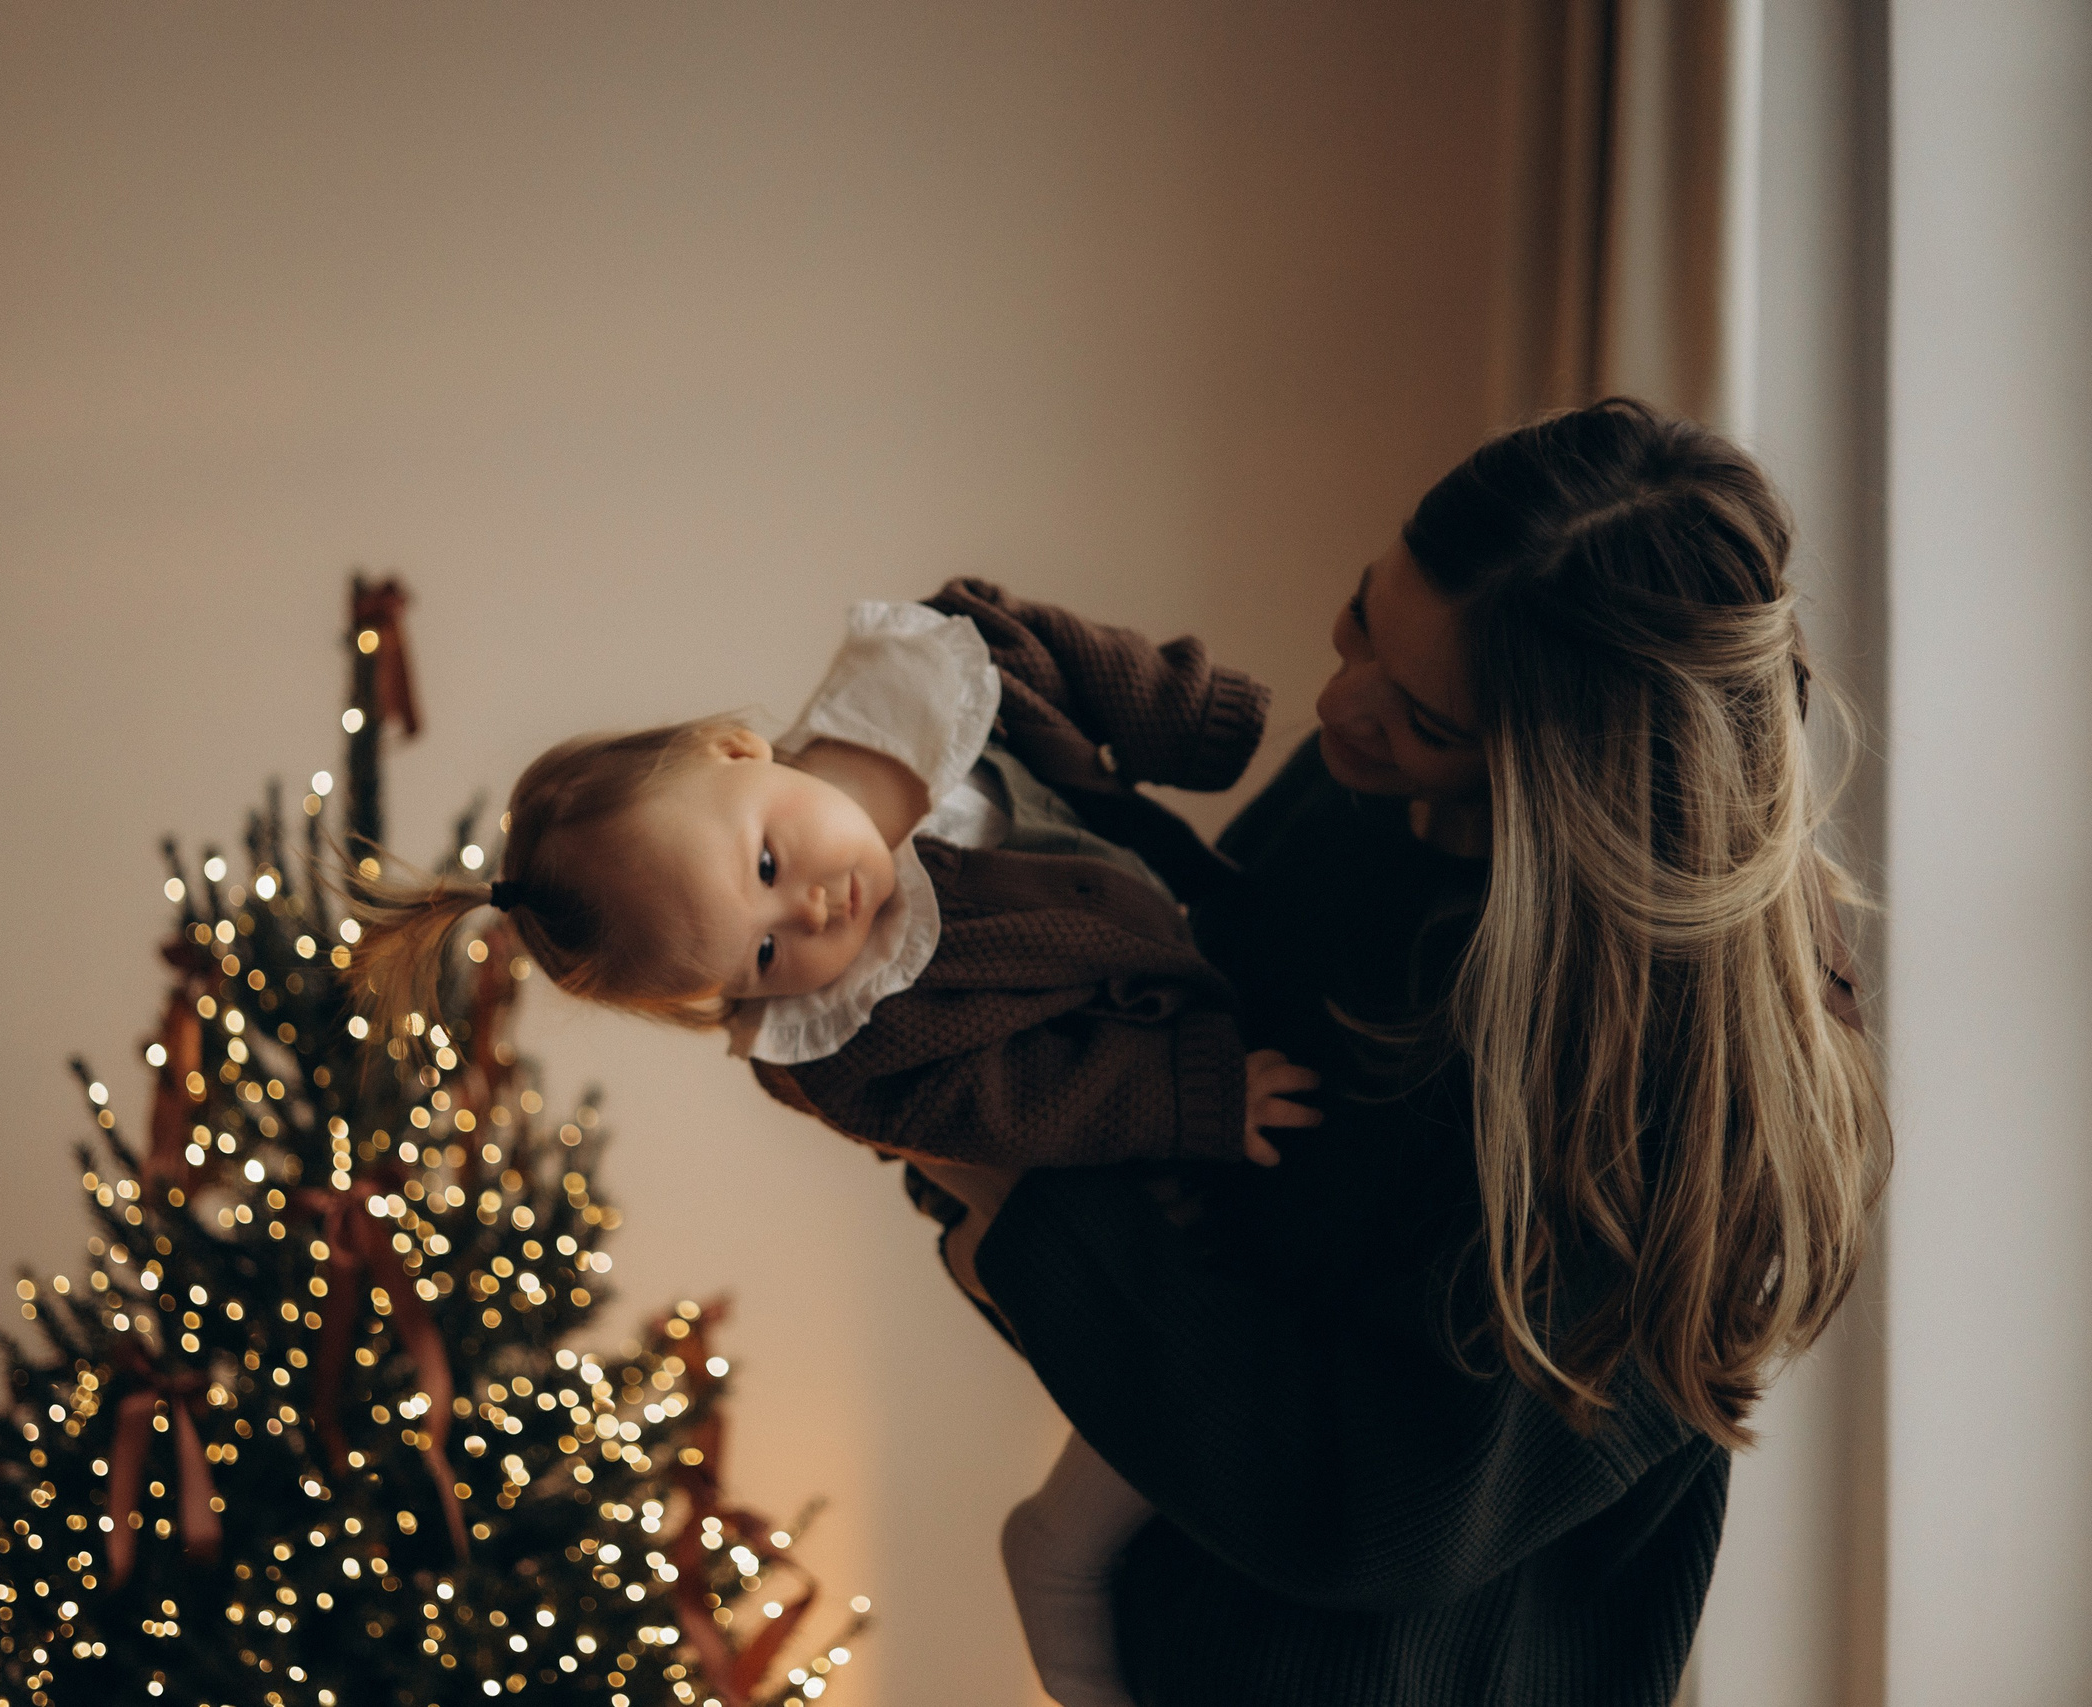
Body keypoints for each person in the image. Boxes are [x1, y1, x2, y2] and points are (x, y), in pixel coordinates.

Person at [932, 397, 1891, 1706]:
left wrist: (1017, 1197)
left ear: (1581, 776)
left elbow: (1371, 1508)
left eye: (1429, 717)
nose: (1336, 702)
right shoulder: (1365, 798)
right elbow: (1206, 1237)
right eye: (1360, 617)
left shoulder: (1668, 1091)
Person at [347, 581, 1320, 1707]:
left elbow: (1053, 656)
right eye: (757, 958)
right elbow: (1014, 1101)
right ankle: (1067, 1582)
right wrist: (1193, 1096)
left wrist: (1188, 719)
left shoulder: (927, 678)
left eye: (765, 865)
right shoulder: (851, 1046)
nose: (806, 917)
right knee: (1161, 1445)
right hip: (1132, 1173)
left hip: (1204, 956)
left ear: (737, 749)